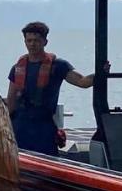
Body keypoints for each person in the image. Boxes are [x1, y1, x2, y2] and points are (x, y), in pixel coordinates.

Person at [6, 21, 104, 155]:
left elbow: (83, 82)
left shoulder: (58, 66)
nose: (32, 44)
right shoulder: (18, 68)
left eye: (36, 40)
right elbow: (11, 100)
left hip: (44, 127)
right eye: (29, 40)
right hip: (20, 126)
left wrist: (102, 73)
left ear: (45, 42)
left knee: (47, 162)